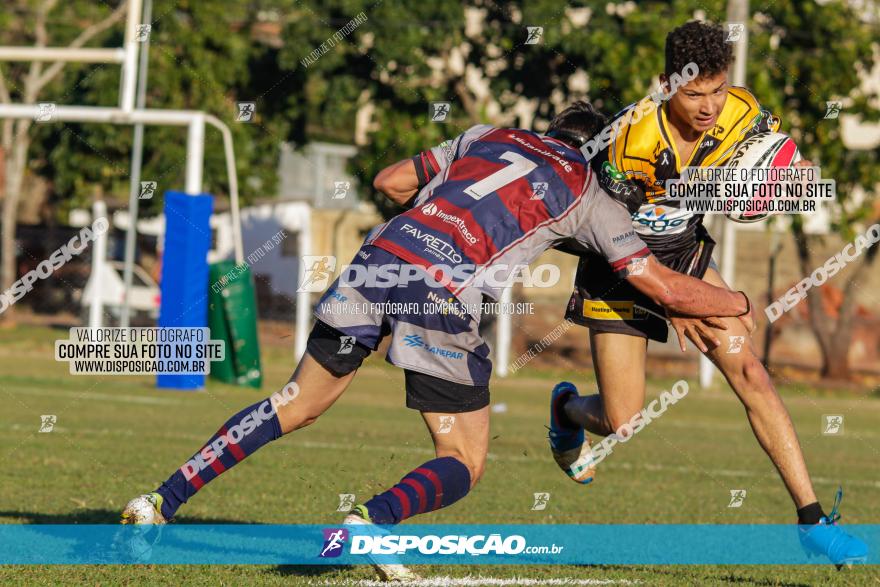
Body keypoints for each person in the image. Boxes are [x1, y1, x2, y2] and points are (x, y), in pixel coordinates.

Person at [122, 101, 753, 582]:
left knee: (296, 401)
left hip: (381, 257)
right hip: (442, 291)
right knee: (463, 458)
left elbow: (394, 182)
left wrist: (445, 215)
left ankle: (158, 500)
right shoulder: (588, 191)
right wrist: (737, 302)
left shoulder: (488, 136)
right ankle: (372, 523)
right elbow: (660, 286)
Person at [549, 21, 866, 567]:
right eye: (694, 93)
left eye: (718, 90)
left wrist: (787, 180)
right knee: (623, 420)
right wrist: (673, 300)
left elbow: (777, 166)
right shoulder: (632, 138)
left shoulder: (742, 111)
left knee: (751, 371)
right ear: (666, 83)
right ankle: (567, 410)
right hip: (617, 263)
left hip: (683, 252)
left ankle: (813, 522)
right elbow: (609, 236)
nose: (708, 106)